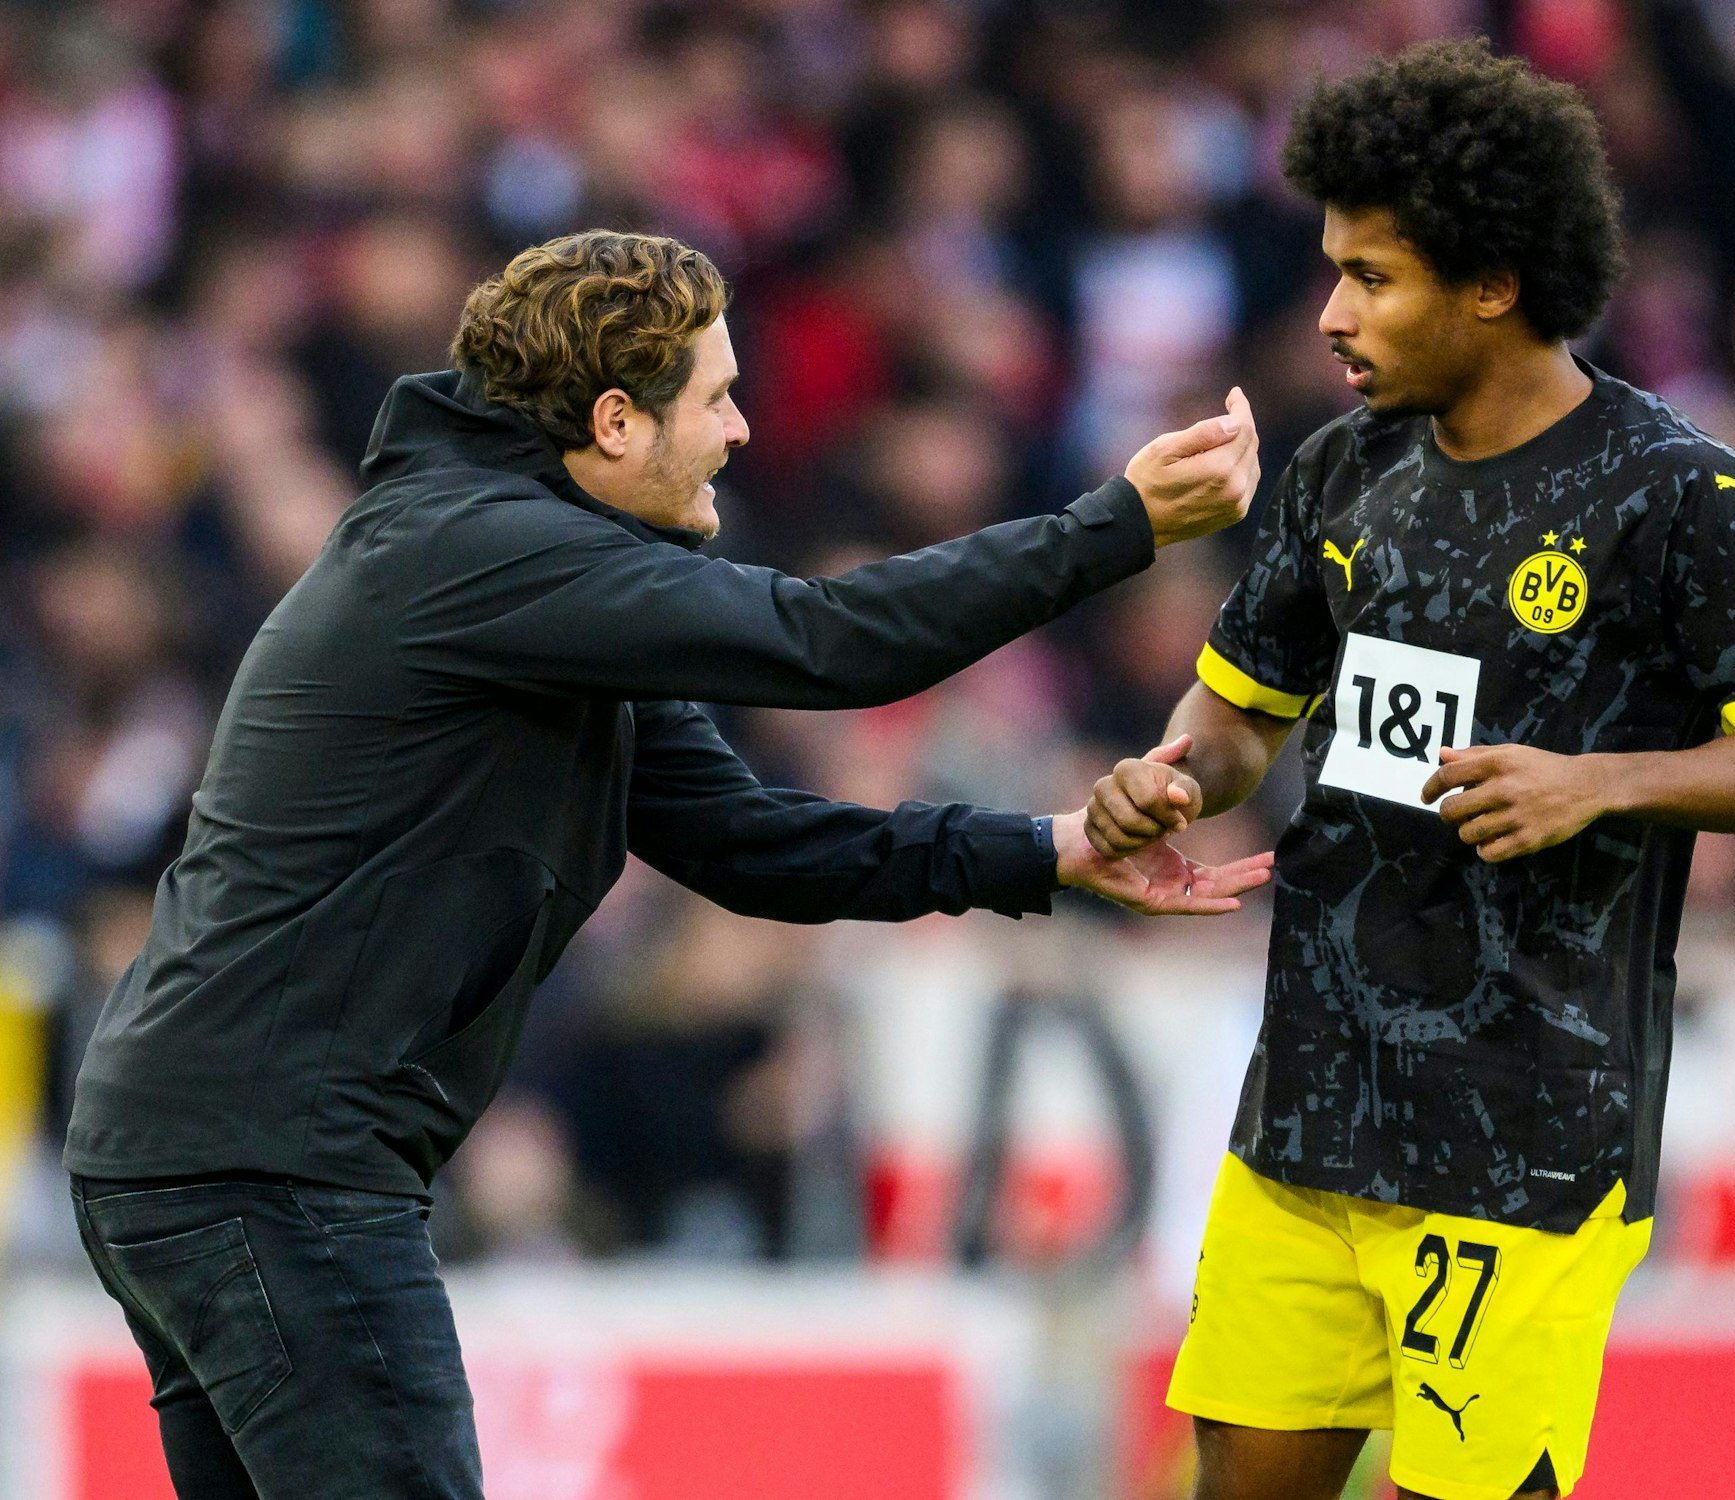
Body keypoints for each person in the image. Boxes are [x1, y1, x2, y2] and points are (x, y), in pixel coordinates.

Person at [63, 228, 1270, 1500]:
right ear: (615, 422)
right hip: (272, 1161)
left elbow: (750, 845)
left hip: (207, 1144)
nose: (742, 431)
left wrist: (1046, 851)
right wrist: (1113, 528)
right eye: (716, 397)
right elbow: (831, 643)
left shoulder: (524, 580)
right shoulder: (486, 553)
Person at [1086, 41, 1735, 1500]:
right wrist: (1174, 778)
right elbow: (1243, 714)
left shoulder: (1680, 495)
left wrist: (1599, 784)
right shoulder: (1344, 471)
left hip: (1526, 1135)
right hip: (1312, 1107)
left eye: (1372, 276)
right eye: (1332, 270)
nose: (1330, 314)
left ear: (1492, 280)